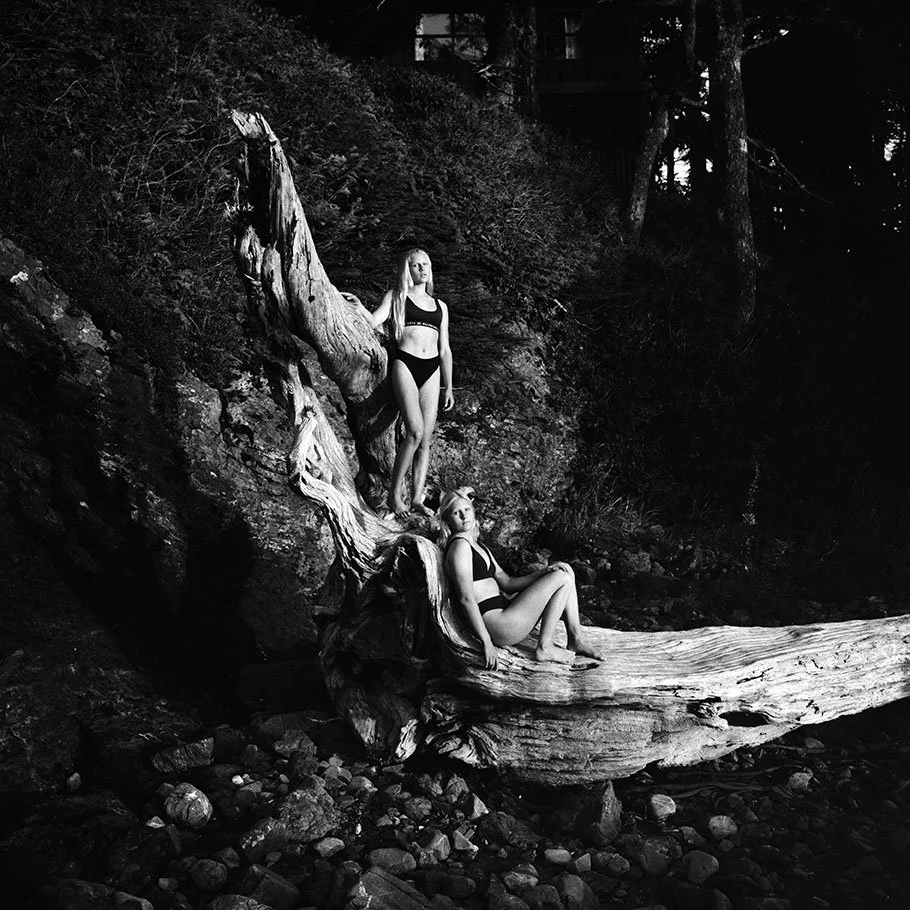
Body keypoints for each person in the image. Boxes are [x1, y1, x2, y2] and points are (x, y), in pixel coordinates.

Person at [439, 487, 604, 669]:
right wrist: (486, 642)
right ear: (447, 520)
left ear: (473, 511)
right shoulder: (460, 547)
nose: (464, 516)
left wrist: (544, 572)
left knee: (565, 570)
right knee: (562, 578)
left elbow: (508, 583)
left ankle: (575, 639)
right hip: (498, 625)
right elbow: (466, 599)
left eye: (467, 509)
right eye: (456, 512)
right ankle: (545, 647)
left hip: (507, 613)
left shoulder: (476, 545)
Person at [369, 249, 454, 516]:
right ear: (408, 269)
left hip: (432, 370)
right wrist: (357, 308)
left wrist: (449, 386)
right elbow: (373, 320)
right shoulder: (397, 297)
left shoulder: (440, 306)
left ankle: (417, 498)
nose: (422, 269)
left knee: (426, 439)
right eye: (416, 265)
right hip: (405, 363)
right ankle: (394, 496)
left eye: (425, 264)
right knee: (414, 432)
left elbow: (445, 349)